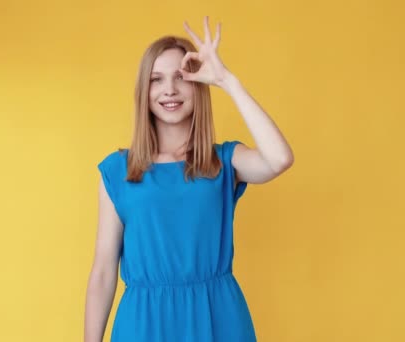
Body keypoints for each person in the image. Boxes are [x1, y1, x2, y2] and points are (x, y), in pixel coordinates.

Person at [84, 16, 294, 342]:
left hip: (217, 316)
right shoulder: (118, 171)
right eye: (157, 79)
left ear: (198, 83)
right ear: (144, 90)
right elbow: (102, 271)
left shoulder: (223, 161)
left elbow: (279, 159)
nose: (169, 89)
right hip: (143, 323)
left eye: (181, 77)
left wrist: (227, 81)